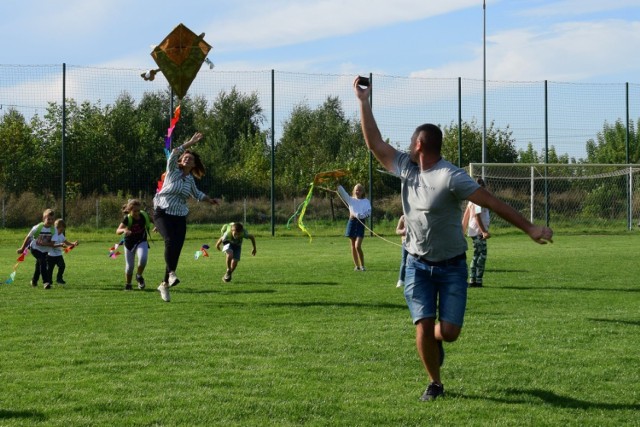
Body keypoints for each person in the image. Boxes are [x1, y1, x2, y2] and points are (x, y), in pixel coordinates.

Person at [353, 76, 554, 402]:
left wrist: (529, 228)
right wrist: (363, 102)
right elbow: (375, 143)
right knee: (422, 325)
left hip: (451, 267)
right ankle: (435, 382)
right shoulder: (406, 168)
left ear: (419, 144)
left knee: (449, 332)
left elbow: (493, 203)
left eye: (410, 140)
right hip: (417, 265)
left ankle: (437, 340)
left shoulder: (451, 176)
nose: (405, 145)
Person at [153, 132, 221, 302]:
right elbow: (175, 150)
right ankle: (172, 273)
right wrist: (190, 142)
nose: (186, 159)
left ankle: (164, 284)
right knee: (169, 241)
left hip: (180, 215)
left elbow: (197, 194)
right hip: (162, 211)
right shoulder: (172, 170)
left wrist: (209, 200)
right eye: (185, 157)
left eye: (190, 159)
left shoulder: (190, 179)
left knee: (176, 248)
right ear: (180, 161)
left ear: (194, 164)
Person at [116, 199, 153, 291]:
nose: (137, 213)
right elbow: (117, 231)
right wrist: (124, 230)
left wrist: (157, 226)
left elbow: (155, 220)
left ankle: (139, 276)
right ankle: (128, 284)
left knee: (143, 259)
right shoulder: (127, 218)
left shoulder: (143, 215)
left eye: (138, 210)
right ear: (129, 210)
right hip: (129, 243)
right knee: (130, 267)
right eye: (134, 211)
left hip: (142, 241)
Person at [17, 209, 56, 289]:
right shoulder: (38, 228)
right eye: (48, 219)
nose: (50, 221)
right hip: (35, 248)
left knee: (39, 265)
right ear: (43, 218)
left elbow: (52, 244)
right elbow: (28, 237)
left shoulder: (53, 230)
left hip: (45, 250)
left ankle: (34, 281)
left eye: (52, 219)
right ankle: (46, 282)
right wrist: (22, 248)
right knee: (43, 262)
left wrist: (44, 244)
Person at [463, 178, 491, 287]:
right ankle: (477, 280)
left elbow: (466, 216)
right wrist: (484, 231)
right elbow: (476, 215)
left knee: (477, 254)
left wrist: (462, 230)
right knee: (482, 255)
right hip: (478, 232)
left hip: (474, 231)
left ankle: (473, 279)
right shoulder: (478, 199)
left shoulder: (472, 199)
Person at [337, 183, 371, 271]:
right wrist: (338, 185)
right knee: (352, 245)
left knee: (357, 246)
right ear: (353, 191)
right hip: (351, 223)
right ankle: (357, 266)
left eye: (359, 190)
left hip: (360, 224)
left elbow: (368, 212)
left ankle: (362, 265)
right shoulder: (350, 200)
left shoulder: (366, 201)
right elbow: (343, 193)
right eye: (356, 190)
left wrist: (361, 216)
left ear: (363, 191)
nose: (357, 192)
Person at [48, 218, 79, 285]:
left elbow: (66, 242)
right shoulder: (52, 234)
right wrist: (60, 245)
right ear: (56, 227)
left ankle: (59, 279)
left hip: (58, 255)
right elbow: (51, 245)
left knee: (62, 266)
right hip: (50, 255)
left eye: (63, 230)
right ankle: (49, 281)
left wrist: (73, 244)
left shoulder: (61, 235)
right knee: (50, 269)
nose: (62, 231)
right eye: (61, 230)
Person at [395, 214, 408, 288]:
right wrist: (403, 231)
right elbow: (397, 230)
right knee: (404, 261)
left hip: (417, 244)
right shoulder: (403, 217)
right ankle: (401, 280)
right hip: (406, 243)